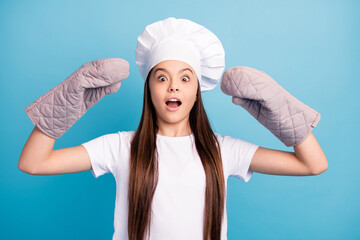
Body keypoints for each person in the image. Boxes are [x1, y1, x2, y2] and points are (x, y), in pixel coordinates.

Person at [18, 17, 328, 240]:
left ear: (196, 91)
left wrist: (282, 110)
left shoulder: (223, 151)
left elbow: (313, 164)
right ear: (149, 89)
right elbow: (33, 163)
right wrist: (65, 103)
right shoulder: (120, 146)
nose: (173, 88)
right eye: (162, 77)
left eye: (184, 78)